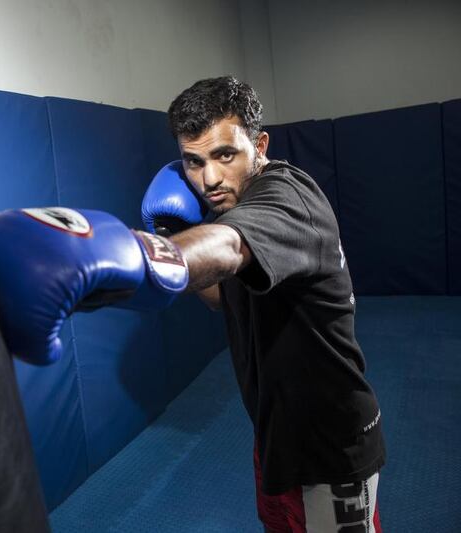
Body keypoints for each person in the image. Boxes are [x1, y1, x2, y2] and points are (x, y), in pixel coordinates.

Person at [144, 76, 385, 532]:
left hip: (330, 442)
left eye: (224, 155)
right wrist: (172, 234)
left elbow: (229, 247)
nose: (209, 178)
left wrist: (149, 257)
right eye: (192, 162)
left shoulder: (286, 197)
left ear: (260, 144)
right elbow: (222, 298)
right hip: (278, 433)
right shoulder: (236, 207)